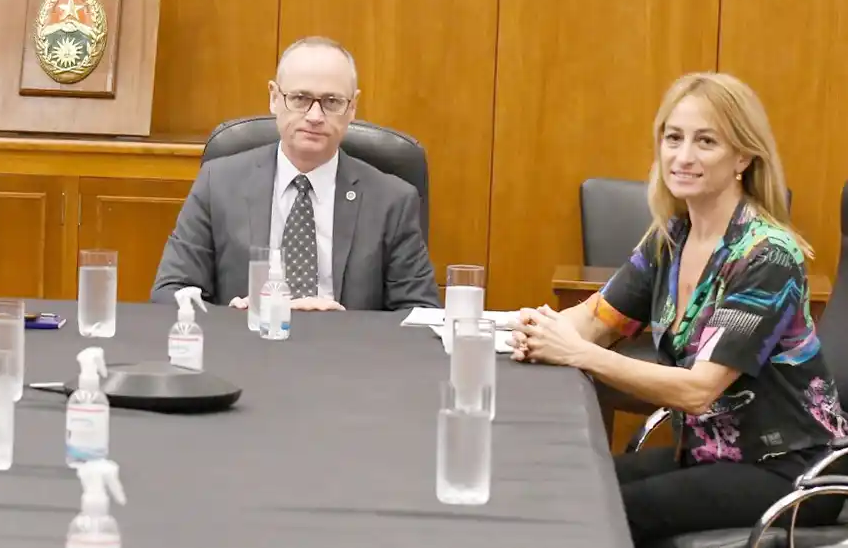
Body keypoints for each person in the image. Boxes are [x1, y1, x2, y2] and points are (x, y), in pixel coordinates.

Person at [512, 72, 848, 544]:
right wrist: (522, 331)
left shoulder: (766, 255)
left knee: (597, 513)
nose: (683, 155)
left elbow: (698, 392)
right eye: (673, 138)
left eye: (705, 141)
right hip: (708, 455)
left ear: (743, 156)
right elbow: (593, 320)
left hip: (786, 470)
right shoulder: (672, 237)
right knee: (564, 488)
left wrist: (575, 352)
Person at [150, 36, 438, 311]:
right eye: (300, 98)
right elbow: (170, 292)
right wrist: (234, 319)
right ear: (274, 98)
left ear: (352, 108)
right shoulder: (219, 183)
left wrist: (347, 327)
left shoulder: (392, 200)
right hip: (245, 352)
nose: (314, 116)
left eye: (332, 102)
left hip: (345, 357)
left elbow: (419, 313)